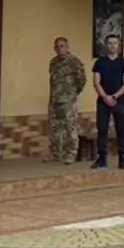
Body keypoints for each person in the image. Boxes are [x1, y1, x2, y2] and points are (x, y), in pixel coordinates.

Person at [92, 34, 124, 169]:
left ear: (118, 45)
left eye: (115, 43)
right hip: (102, 102)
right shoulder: (99, 63)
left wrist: (114, 97)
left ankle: (122, 160)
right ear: (106, 45)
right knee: (102, 130)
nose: (112, 46)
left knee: (121, 130)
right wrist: (105, 97)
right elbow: (96, 82)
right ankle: (101, 159)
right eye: (109, 43)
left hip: (119, 102)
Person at [46, 37, 86, 165]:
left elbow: (81, 80)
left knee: (70, 127)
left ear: (68, 47)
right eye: (57, 46)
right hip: (54, 100)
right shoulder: (53, 62)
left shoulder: (75, 62)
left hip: (68, 100)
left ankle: (71, 153)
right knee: (54, 128)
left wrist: (72, 94)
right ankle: (55, 153)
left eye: (62, 46)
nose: (59, 49)